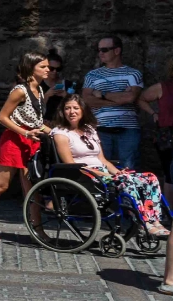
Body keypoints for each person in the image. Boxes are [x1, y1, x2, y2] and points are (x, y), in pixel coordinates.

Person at [48, 94, 169, 235]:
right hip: (84, 174)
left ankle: (154, 220)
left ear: (83, 110)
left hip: (102, 171)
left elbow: (103, 160)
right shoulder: (61, 133)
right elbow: (71, 164)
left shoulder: (89, 130)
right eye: (67, 108)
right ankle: (143, 222)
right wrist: (103, 174)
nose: (72, 111)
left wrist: (117, 173)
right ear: (62, 111)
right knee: (127, 182)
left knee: (149, 178)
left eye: (76, 108)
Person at [0, 51, 52, 242]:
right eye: (43, 67)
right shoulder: (19, 90)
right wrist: (25, 133)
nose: (48, 69)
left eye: (47, 66)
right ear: (31, 69)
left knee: (32, 188)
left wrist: (56, 132)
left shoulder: (40, 90)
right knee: (0, 184)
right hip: (14, 141)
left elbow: (35, 120)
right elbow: (2, 117)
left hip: (30, 141)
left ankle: (37, 230)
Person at [84, 34, 144, 171]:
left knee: (128, 168)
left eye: (104, 50)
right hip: (100, 129)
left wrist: (102, 95)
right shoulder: (91, 75)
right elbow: (87, 100)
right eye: (98, 50)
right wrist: (119, 99)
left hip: (128, 130)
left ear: (117, 51)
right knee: (101, 168)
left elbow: (131, 98)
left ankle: (126, 193)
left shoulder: (133, 74)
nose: (100, 53)